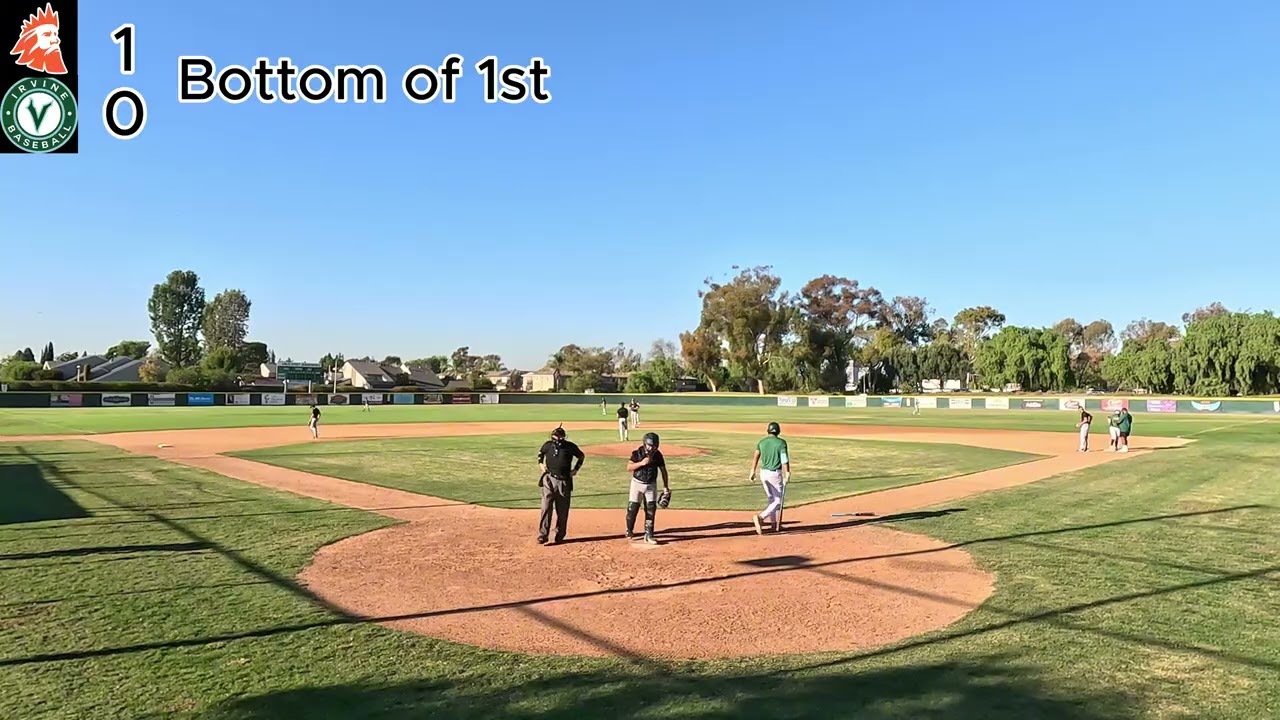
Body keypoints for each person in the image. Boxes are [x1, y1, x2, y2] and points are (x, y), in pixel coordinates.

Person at [536, 426, 584, 545]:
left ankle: (560, 534)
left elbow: (581, 456)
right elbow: (540, 454)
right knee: (546, 507)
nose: (556, 438)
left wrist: (576, 469)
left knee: (562, 510)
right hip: (549, 479)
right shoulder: (547, 445)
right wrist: (541, 464)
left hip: (564, 481)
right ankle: (543, 534)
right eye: (555, 436)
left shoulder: (570, 447)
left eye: (558, 436)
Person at [624, 432, 669, 544]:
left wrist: (666, 487)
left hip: (651, 485)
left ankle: (649, 535)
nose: (651, 448)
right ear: (645, 444)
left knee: (651, 510)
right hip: (637, 484)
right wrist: (641, 463)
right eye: (649, 445)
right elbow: (629, 467)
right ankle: (629, 530)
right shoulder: (637, 453)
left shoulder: (658, 455)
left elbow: (663, 471)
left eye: (654, 446)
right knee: (632, 508)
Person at [748, 421, 790, 534]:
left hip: (763, 473)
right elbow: (784, 459)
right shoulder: (781, 443)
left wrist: (752, 471)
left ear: (768, 431)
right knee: (778, 500)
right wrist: (787, 472)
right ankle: (761, 517)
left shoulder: (762, 442)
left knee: (771, 498)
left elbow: (756, 456)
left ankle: (774, 523)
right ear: (778, 431)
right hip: (774, 474)